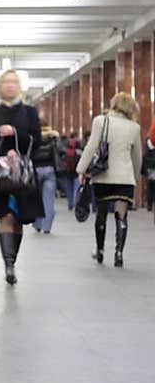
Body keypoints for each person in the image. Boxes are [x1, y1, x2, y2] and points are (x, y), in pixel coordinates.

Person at [0, 69, 43, 285]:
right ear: (0, 86)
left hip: (23, 173)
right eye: (6, 82)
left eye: (14, 82)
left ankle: (12, 258)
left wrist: (15, 134)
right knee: (5, 216)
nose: (10, 85)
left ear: (19, 86)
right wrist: (2, 155)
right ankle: (9, 265)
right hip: (1, 176)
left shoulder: (30, 113)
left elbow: (37, 140)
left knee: (19, 219)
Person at [76, 91, 142, 267]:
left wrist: (81, 169)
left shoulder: (100, 121)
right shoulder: (134, 127)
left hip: (103, 176)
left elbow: (91, 147)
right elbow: (137, 157)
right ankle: (119, 254)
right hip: (125, 178)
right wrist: (134, 176)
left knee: (102, 214)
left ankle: (100, 251)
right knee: (122, 216)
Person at [32, 118, 62, 233]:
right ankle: (47, 227)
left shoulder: (33, 137)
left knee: (36, 199)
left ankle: (37, 224)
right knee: (49, 200)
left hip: (36, 170)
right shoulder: (53, 137)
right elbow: (60, 151)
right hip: (50, 170)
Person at [61, 130, 82, 209]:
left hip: (67, 170)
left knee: (68, 188)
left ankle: (70, 203)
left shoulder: (65, 144)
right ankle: (74, 202)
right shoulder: (78, 144)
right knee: (76, 187)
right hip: (76, 169)